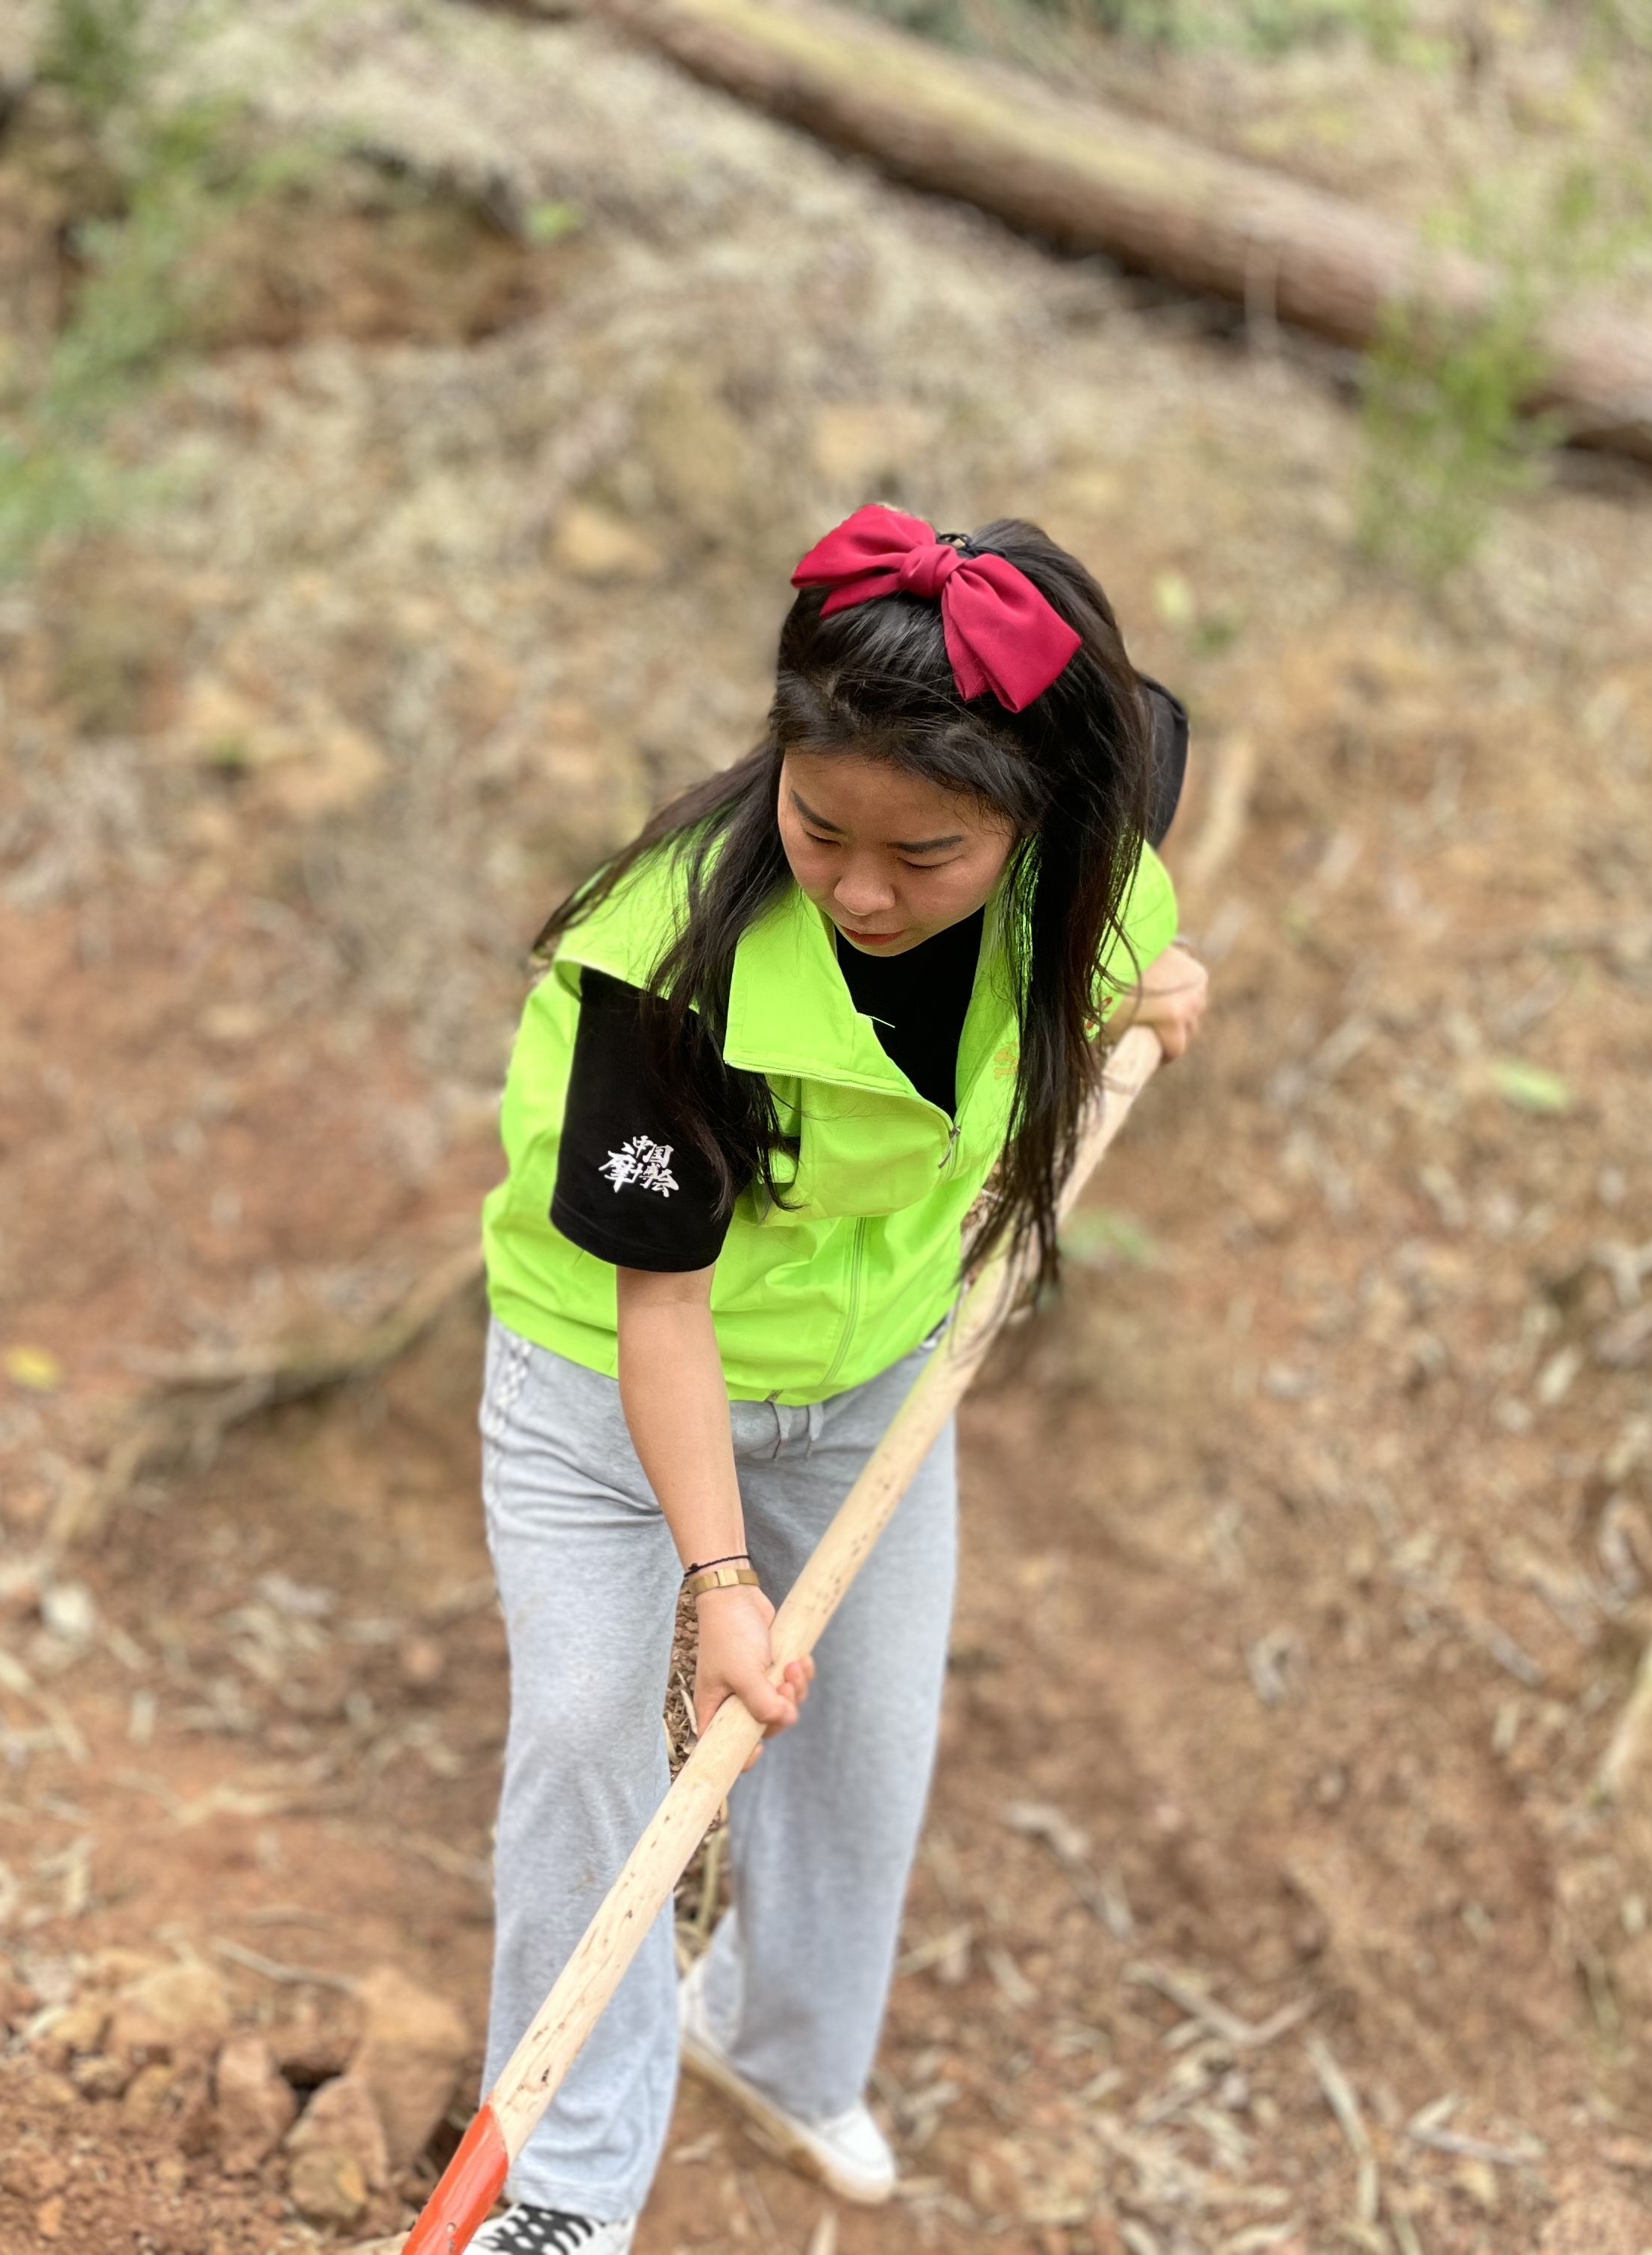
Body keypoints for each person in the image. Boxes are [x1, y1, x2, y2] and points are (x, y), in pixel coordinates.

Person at [464, 508, 1211, 2254]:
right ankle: (564, 2185)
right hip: (609, 1364)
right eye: (821, 829)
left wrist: (1143, 982)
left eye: (927, 853)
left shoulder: (1094, 839)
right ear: (777, 767)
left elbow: (1131, 791)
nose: (862, 888)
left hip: (866, 1370)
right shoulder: (667, 966)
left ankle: (774, 2043)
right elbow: (660, 1310)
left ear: (1037, 817)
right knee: (590, 1736)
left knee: (867, 1742)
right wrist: (720, 1586)